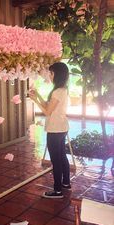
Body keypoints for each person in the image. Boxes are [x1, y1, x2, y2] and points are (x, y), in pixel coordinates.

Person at [29, 62, 70, 199]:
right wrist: (39, 96)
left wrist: (34, 100)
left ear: (57, 74)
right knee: (62, 156)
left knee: (56, 160)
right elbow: (49, 106)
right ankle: (66, 183)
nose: (50, 76)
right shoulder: (63, 90)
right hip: (62, 128)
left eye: (51, 73)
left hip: (55, 129)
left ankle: (57, 191)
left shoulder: (58, 91)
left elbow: (47, 111)